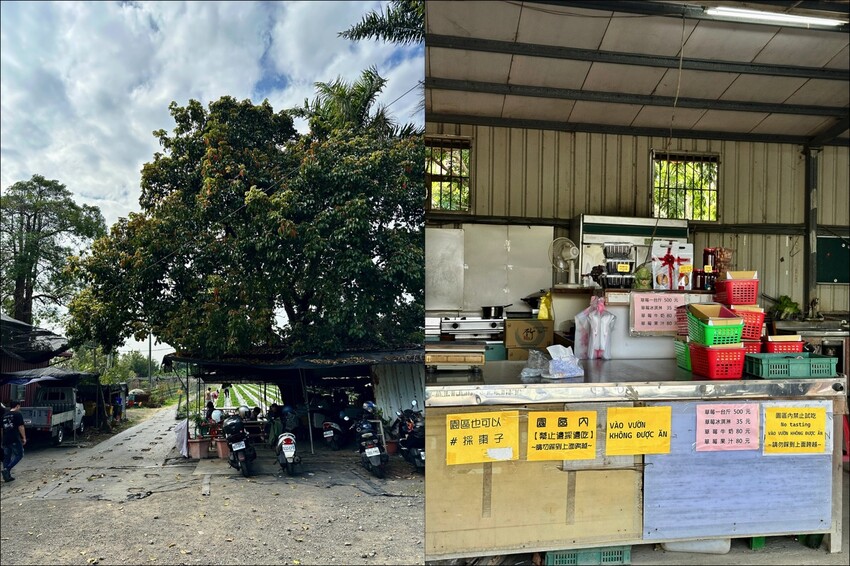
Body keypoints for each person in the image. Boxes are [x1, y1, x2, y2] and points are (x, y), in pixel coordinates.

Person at [2, 401, 27, 483]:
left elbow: (1, 429)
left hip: (6, 439)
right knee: (20, 454)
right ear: (17, 406)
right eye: (19, 406)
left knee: (7, 457)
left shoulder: (4, 415)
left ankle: (7, 476)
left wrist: (3, 439)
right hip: (14, 438)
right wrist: (24, 437)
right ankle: (7, 469)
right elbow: (21, 426)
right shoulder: (18, 414)